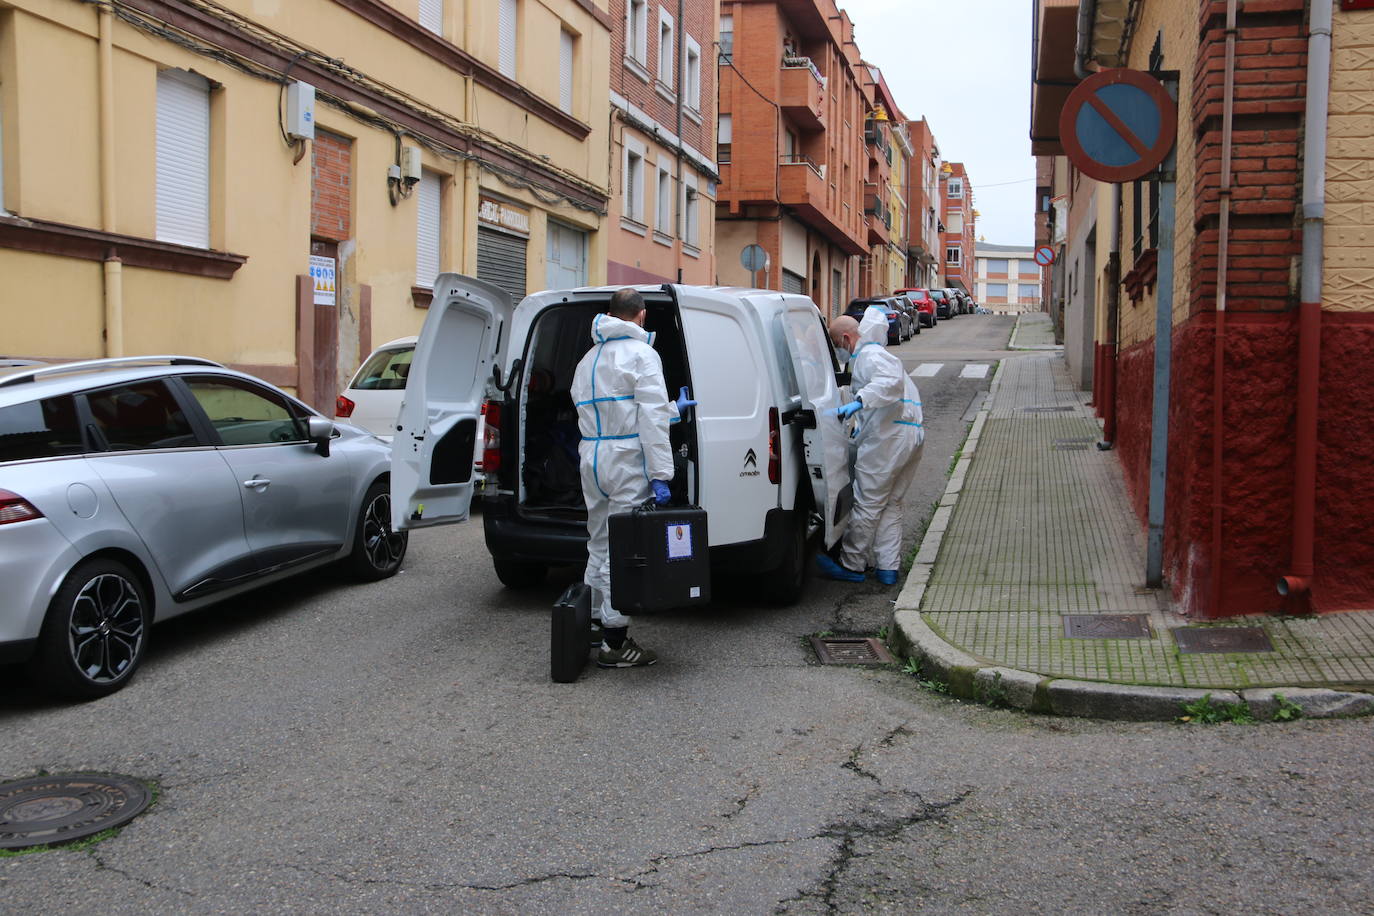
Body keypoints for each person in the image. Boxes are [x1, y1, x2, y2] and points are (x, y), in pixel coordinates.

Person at [571, 288, 696, 668]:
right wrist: (661, 475)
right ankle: (614, 642)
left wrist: (673, 409)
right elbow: (650, 420)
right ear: (641, 316)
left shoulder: (588, 358)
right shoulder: (643, 354)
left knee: (599, 541)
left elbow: (617, 411)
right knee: (622, 550)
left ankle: (592, 623)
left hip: (592, 456)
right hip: (627, 461)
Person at [817, 307, 924, 586]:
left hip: (887, 439)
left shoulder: (868, 356)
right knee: (891, 504)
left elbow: (890, 383)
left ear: (846, 338)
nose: (839, 351)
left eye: (837, 344)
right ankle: (888, 568)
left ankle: (852, 565)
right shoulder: (880, 354)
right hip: (909, 436)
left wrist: (859, 401)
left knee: (868, 502)